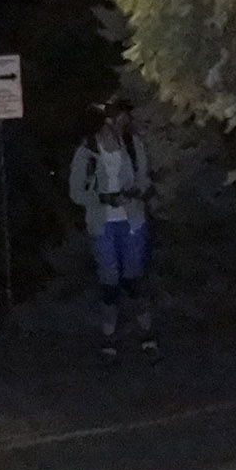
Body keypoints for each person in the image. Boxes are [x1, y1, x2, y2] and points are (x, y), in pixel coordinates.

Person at [68, 97, 159, 364]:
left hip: (132, 220)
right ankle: (108, 337)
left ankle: (146, 333)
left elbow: (143, 178)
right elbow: (76, 192)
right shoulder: (87, 151)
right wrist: (104, 197)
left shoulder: (133, 145)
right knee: (109, 280)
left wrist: (139, 192)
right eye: (119, 117)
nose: (124, 121)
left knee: (134, 278)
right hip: (103, 224)